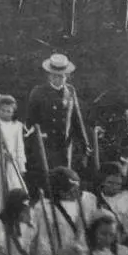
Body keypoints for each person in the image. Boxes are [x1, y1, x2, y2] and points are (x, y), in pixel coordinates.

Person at [25, 54, 87, 195]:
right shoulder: (38, 92)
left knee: (64, 176)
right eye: (54, 76)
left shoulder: (70, 91)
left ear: (66, 76)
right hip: (46, 144)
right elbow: (30, 121)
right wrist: (33, 140)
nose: (58, 79)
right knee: (47, 177)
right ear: (49, 75)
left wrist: (84, 143)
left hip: (64, 145)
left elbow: (77, 118)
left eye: (61, 76)